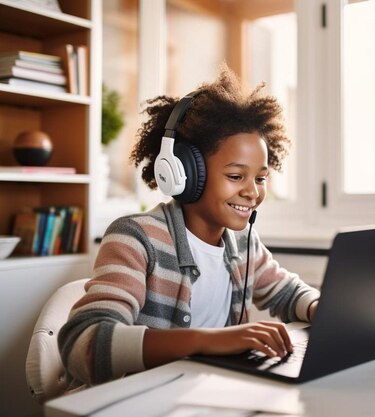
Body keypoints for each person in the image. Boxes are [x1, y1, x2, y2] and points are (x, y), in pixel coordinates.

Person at [58, 65, 320, 389]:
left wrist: (319, 308)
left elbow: (289, 293)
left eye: (261, 178)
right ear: (183, 172)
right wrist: (207, 340)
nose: (253, 191)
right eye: (236, 176)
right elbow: (84, 343)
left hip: (203, 395)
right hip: (140, 403)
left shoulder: (243, 243)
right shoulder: (137, 239)